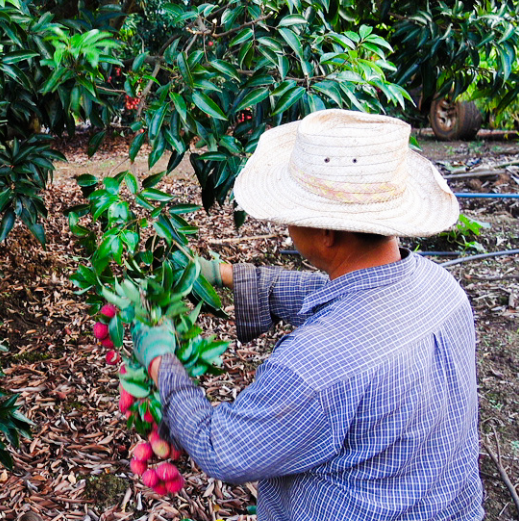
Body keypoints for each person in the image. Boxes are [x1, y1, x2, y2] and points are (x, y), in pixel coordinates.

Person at [135, 109, 483, 519]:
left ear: (326, 232)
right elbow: (336, 294)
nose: (285, 225)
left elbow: (221, 449)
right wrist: (226, 274)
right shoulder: (442, 287)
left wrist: (160, 362)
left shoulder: (313, 369)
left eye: (292, 216)